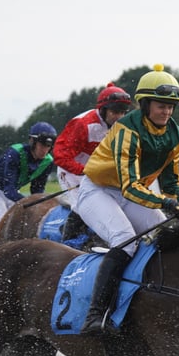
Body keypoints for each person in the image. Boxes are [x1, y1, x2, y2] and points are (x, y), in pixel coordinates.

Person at [75, 64, 179, 335]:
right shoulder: (127, 128)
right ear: (146, 103)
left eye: (171, 106)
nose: (167, 111)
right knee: (125, 241)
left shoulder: (174, 132)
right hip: (98, 190)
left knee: (165, 234)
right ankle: (95, 316)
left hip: (129, 191)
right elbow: (130, 188)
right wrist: (168, 203)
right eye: (161, 105)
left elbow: (172, 181)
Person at [53, 82, 132, 240]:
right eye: (115, 112)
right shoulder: (83, 124)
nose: (119, 118)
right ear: (103, 110)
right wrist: (84, 170)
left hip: (96, 171)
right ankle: (66, 239)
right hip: (72, 172)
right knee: (84, 206)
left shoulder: (121, 126)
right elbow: (60, 156)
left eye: (123, 113)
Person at [0, 122, 57, 226]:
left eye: (48, 146)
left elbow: (37, 190)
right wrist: (31, 202)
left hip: (13, 194)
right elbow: (9, 190)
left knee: (22, 226)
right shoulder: (15, 153)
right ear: (32, 141)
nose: (44, 150)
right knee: (4, 225)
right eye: (41, 145)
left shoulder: (47, 162)